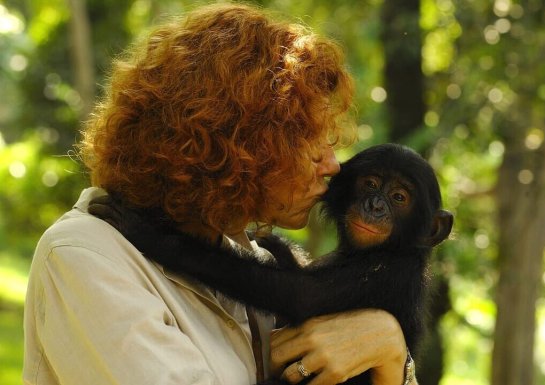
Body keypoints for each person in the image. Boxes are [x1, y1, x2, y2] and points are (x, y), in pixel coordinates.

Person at [23, 3, 415, 385]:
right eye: (312, 147)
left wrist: (391, 354)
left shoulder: (251, 260)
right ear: (241, 148)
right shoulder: (86, 256)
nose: (333, 166)